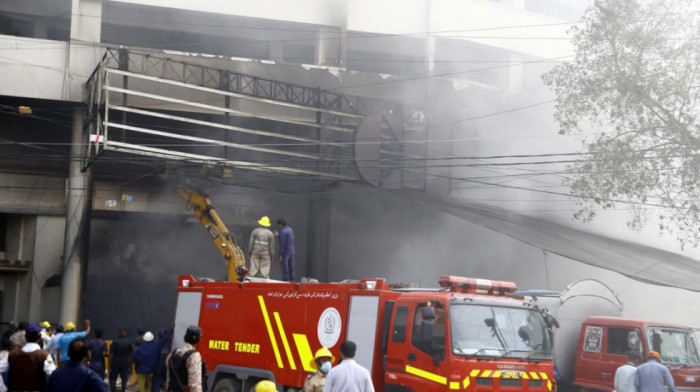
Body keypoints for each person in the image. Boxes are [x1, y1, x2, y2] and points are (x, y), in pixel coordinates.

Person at [0, 323, 56, 392]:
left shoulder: (12, 354)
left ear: (26, 336)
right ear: (39, 337)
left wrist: (2, 388)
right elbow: (53, 375)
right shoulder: (44, 355)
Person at [166, 325, 205, 392]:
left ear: (184, 337)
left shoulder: (172, 354)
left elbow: (168, 379)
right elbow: (195, 385)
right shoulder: (194, 356)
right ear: (199, 340)